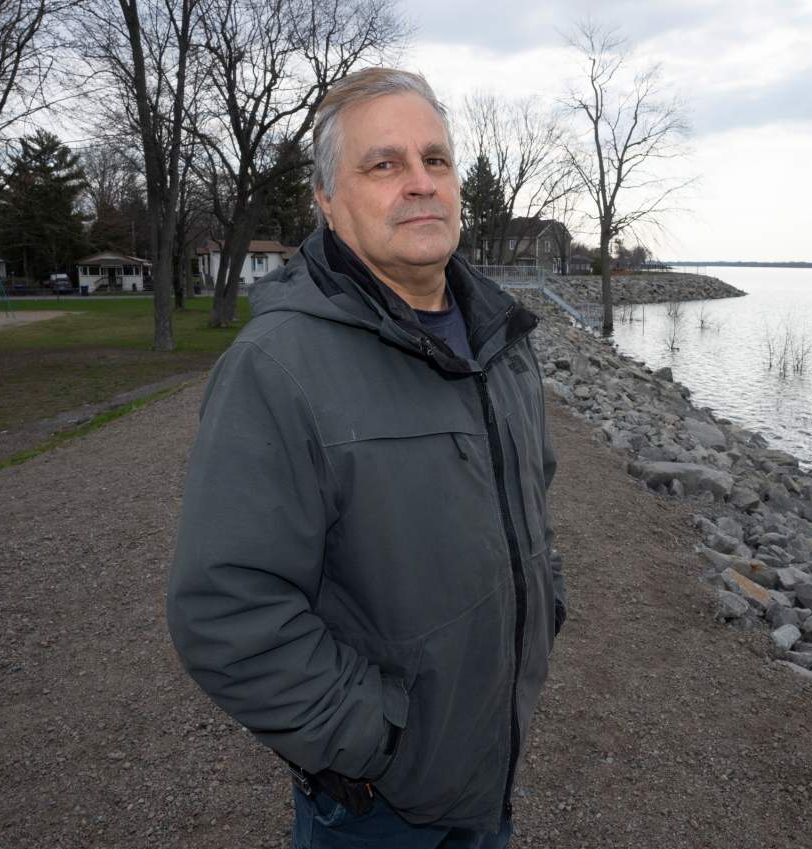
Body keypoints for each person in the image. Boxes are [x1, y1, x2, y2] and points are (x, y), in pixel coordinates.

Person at [167, 67, 566, 849]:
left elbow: (532, 505)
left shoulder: (502, 345)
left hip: (490, 768)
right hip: (378, 813)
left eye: (436, 160)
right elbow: (224, 607)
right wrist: (378, 737)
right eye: (384, 165)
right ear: (325, 199)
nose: (420, 183)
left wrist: (544, 604)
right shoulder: (277, 367)